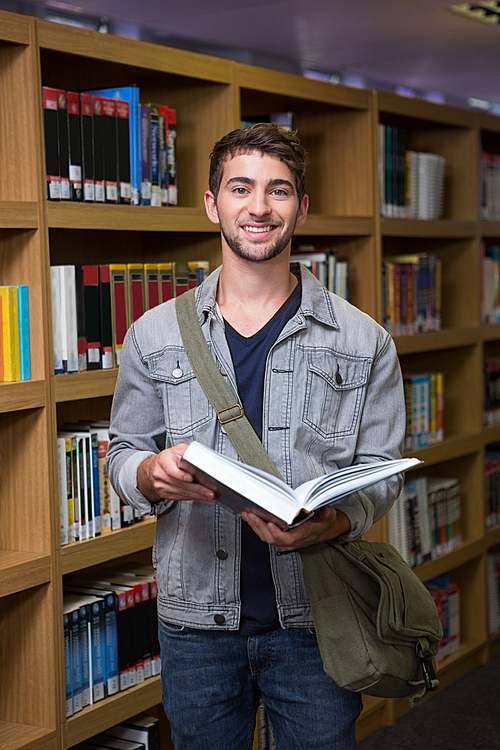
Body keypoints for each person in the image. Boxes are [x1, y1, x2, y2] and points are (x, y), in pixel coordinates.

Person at [107, 123, 406, 750]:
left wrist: (336, 521)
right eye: (241, 188)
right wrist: (146, 472)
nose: (260, 207)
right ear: (214, 203)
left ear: (301, 206)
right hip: (195, 624)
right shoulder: (153, 333)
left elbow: (380, 470)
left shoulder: (364, 340)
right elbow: (124, 452)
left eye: (279, 190)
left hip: (316, 620)